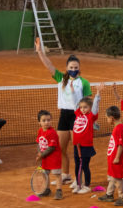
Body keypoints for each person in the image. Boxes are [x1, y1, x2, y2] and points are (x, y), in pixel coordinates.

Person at [36, 39, 92, 185]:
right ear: (66, 68)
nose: (73, 69)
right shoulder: (61, 78)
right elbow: (48, 65)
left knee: (77, 150)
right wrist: (40, 51)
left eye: (76, 67)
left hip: (77, 117)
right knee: (60, 148)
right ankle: (66, 175)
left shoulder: (84, 83)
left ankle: (78, 179)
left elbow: (88, 103)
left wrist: (88, 120)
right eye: (71, 67)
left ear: (79, 68)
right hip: (64, 115)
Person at [70, 90, 101, 194]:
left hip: (86, 146)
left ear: (90, 108)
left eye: (85, 107)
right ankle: (78, 183)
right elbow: (75, 103)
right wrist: (73, 92)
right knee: (77, 165)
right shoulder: (78, 113)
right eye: (81, 107)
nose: (82, 109)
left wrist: (97, 95)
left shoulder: (91, 116)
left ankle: (87, 186)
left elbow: (95, 107)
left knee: (84, 166)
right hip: (76, 145)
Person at [98, 105, 123, 206]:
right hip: (113, 159)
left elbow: (120, 145)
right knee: (112, 177)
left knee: (118, 179)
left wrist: (117, 157)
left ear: (111, 118)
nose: (107, 120)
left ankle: (122, 197)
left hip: (117, 160)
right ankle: (109, 194)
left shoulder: (119, 128)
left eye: (107, 118)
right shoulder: (118, 127)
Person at [35, 110, 63, 200]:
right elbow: (38, 143)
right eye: (44, 120)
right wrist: (39, 152)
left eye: (48, 120)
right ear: (39, 122)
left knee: (57, 174)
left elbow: (51, 148)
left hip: (54, 158)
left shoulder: (52, 133)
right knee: (45, 174)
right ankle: (47, 190)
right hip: (45, 157)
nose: (46, 122)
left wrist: (41, 155)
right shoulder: (40, 131)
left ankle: (59, 191)